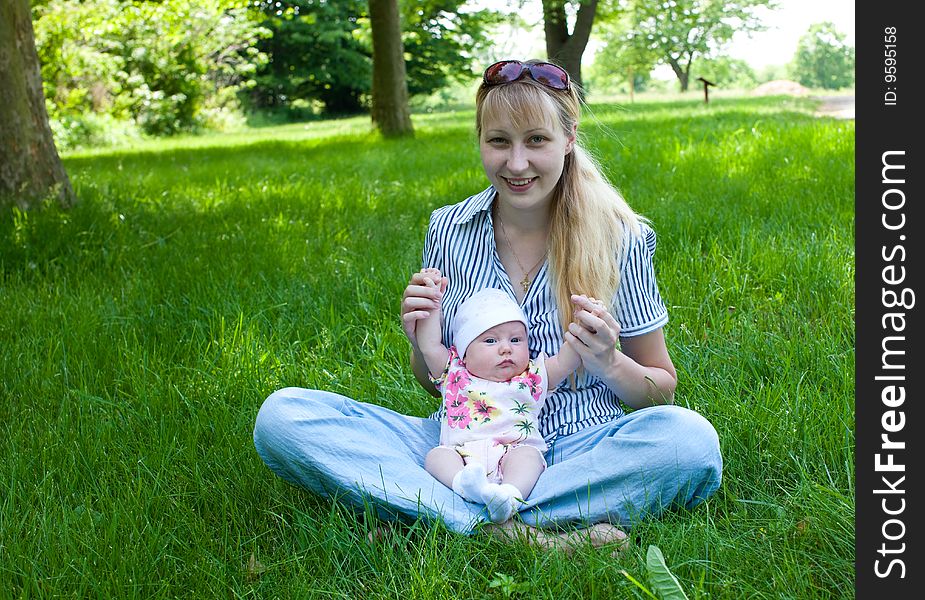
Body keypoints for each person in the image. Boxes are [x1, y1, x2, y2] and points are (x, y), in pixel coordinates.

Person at [254, 58, 723, 550]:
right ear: (480, 140)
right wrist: (421, 339)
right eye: (499, 141)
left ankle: (436, 516)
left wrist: (608, 361)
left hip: (581, 448)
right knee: (283, 417)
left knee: (687, 441)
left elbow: (659, 389)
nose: (516, 164)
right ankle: (517, 532)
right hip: (460, 448)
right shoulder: (450, 229)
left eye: (536, 140)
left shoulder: (621, 237)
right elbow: (439, 385)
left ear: (569, 138)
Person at [415, 278, 582, 524]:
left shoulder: (532, 376)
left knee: (529, 457)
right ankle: (464, 486)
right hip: (461, 455)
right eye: (491, 341)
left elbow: (567, 360)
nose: (506, 348)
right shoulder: (454, 373)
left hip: (513, 451)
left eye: (515, 340)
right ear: (464, 351)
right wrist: (432, 304)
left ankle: (509, 496)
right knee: (436, 457)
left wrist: (582, 323)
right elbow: (429, 346)